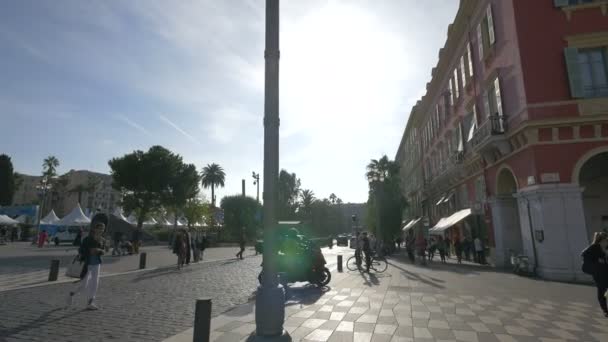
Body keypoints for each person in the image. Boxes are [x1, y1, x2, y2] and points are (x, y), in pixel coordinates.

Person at [67, 222, 106, 310]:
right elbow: (81, 250)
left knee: (95, 283)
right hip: (86, 264)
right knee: (84, 284)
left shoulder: (103, 240)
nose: (101, 230)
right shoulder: (87, 239)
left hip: (97, 263)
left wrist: (100, 251)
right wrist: (89, 251)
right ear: (94, 229)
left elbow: (104, 251)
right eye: (99, 228)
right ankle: (71, 293)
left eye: (102, 229)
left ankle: (90, 302)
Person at [582, 232, 608, 317]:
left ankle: (605, 309)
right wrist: (598, 263)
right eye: (605, 240)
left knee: (603, 292)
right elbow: (584, 254)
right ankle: (605, 310)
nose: (606, 241)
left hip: (605, 273)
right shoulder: (594, 249)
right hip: (600, 275)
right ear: (601, 241)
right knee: (602, 293)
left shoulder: (604, 248)